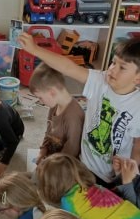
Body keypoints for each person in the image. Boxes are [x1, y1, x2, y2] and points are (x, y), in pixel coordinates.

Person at [19, 34, 140, 187]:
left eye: (122, 67)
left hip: (113, 177)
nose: (112, 69)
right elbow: (68, 67)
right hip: (83, 165)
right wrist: (35, 49)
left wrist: (130, 175)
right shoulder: (100, 81)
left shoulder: (137, 105)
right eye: (113, 62)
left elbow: (137, 145)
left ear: (137, 78)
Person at [28, 62, 85, 164]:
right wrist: (42, 152)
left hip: (63, 164)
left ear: (52, 92)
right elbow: (48, 133)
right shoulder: (54, 105)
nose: (40, 102)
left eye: (40, 97)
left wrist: (49, 165)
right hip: (52, 157)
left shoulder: (73, 117)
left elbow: (71, 153)